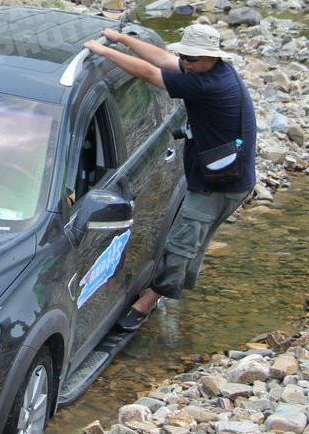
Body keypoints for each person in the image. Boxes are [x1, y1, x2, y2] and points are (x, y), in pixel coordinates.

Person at [83, 21, 257, 330]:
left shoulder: (208, 84)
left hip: (220, 185)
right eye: (185, 57)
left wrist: (103, 51)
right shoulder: (208, 70)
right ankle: (174, 286)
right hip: (220, 175)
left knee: (182, 243)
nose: (185, 63)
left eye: (192, 59)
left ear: (212, 57)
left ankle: (149, 299)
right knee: (193, 239)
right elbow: (163, 60)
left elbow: (150, 73)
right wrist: (121, 38)